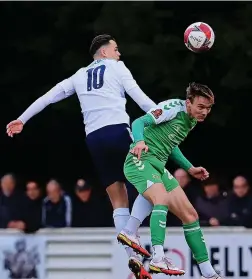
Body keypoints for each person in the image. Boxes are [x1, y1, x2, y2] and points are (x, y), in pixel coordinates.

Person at [6, 34, 155, 279]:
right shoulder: (117, 67)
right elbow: (140, 98)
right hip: (118, 131)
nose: (120, 54)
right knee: (153, 185)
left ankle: (132, 257)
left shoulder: (79, 75)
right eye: (116, 49)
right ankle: (136, 236)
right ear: (104, 52)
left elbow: (48, 97)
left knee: (118, 199)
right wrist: (164, 113)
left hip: (94, 140)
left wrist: (22, 119)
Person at [118, 83, 223, 279]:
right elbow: (139, 123)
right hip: (140, 159)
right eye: (201, 107)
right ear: (188, 102)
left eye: (208, 108)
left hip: (157, 165)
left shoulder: (191, 119)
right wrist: (139, 141)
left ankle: (208, 273)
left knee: (190, 215)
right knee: (161, 198)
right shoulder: (173, 108)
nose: (205, 112)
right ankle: (158, 258)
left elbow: (171, 144)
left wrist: (189, 168)